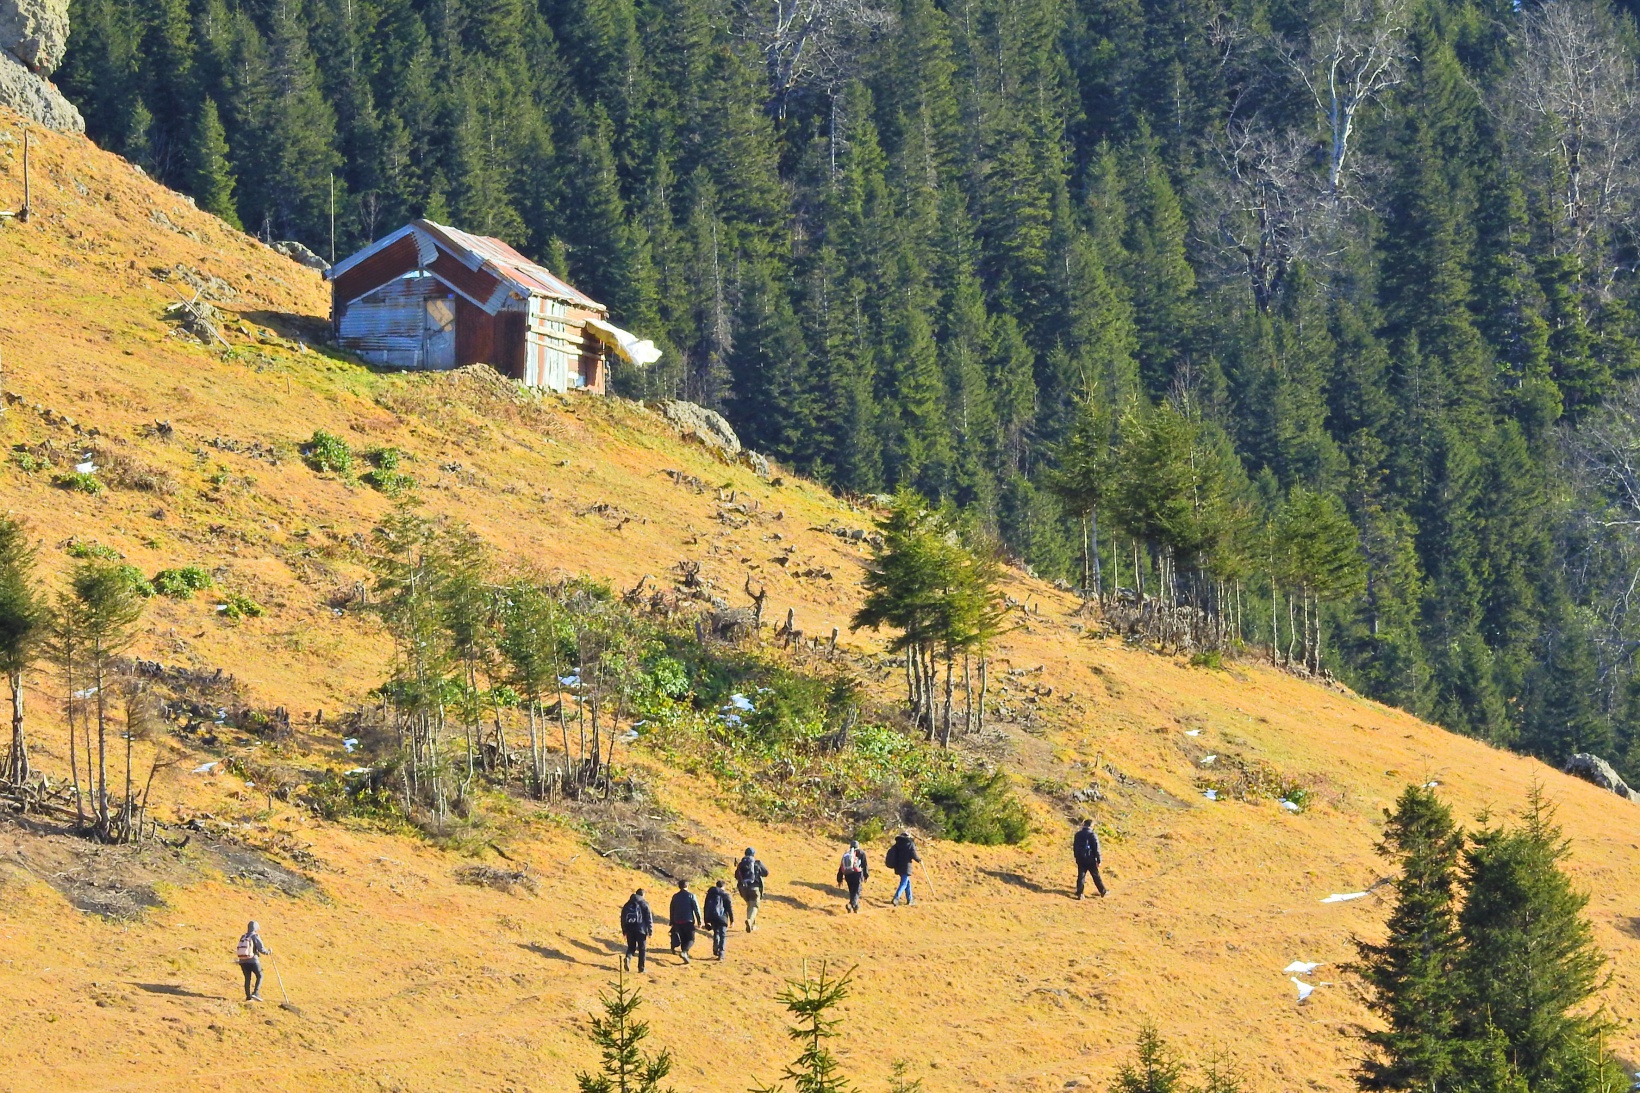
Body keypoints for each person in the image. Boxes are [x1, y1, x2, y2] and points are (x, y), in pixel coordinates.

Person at [669, 879, 703, 964]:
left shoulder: (675, 896)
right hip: (688, 920)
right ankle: (684, 952)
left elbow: (672, 909)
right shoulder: (691, 896)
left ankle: (685, 955)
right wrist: (699, 921)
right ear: (687, 886)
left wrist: (672, 921)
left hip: (677, 921)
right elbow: (696, 909)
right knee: (691, 939)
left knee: (683, 939)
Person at [235, 920, 270, 1002]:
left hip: (243, 960)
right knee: (260, 975)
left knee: (247, 978)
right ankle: (256, 993)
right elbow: (261, 949)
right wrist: (268, 952)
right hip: (253, 960)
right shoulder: (255, 936)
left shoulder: (243, 936)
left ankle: (248, 997)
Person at [735, 847, 768, 931]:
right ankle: (750, 920)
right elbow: (766, 873)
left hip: (743, 888)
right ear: (753, 854)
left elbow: (736, 876)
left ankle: (751, 925)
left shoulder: (741, 864)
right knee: (754, 906)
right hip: (754, 888)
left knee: (750, 904)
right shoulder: (757, 863)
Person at [620, 888, 654, 972]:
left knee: (631, 947)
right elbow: (648, 918)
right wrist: (650, 931)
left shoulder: (627, 904)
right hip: (641, 929)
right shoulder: (644, 904)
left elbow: (623, 918)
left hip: (629, 929)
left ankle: (628, 957)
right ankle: (641, 968)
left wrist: (624, 930)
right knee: (642, 949)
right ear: (643, 895)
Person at [1074, 818, 1107, 899]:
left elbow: (1075, 847)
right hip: (1090, 859)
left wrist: (1076, 857)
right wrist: (1099, 860)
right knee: (1096, 876)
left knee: (1081, 876)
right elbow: (1096, 848)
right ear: (1091, 826)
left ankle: (1080, 893)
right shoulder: (1092, 835)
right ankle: (1102, 891)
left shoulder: (1078, 834)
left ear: (1084, 825)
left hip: (1080, 858)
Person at [885, 830, 920, 905]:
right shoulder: (910, 844)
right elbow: (913, 854)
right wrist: (919, 860)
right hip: (906, 866)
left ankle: (910, 900)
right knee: (904, 883)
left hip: (898, 866)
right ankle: (896, 898)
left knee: (907, 882)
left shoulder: (897, 844)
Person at [703, 879, 734, 960]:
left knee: (716, 932)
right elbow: (729, 908)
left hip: (712, 916)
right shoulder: (726, 895)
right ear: (724, 886)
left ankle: (715, 948)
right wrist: (732, 920)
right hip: (722, 917)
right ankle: (721, 954)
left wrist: (706, 920)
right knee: (723, 935)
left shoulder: (710, 894)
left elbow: (706, 907)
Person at [836, 840, 869, 912]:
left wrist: (839, 879)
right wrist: (866, 875)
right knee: (857, 891)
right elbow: (864, 865)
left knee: (852, 891)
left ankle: (855, 907)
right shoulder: (861, 853)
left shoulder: (846, 854)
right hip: (857, 874)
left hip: (848, 875)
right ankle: (851, 904)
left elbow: (841, 867)